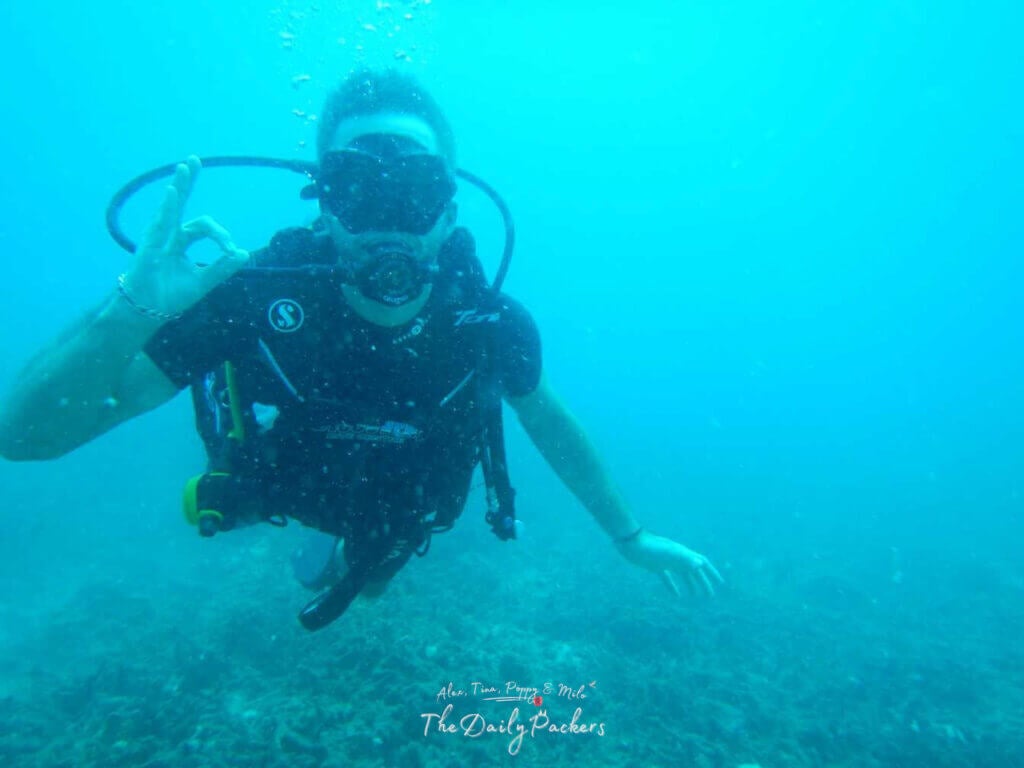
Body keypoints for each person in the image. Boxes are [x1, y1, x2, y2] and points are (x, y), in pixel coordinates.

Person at [0, 69, 722, 629]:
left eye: (412, 194)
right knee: (253, 508)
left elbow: (550, 423)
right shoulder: (248, 296)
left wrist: (629, 535)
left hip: (411, 496)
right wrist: (126, 313)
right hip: (294, 472)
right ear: (321, 202)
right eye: (355, 191)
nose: (387, 225)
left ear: (447, 211)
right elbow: (23, 437)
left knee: (373, 577)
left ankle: (353, 560)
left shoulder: (488, 320)